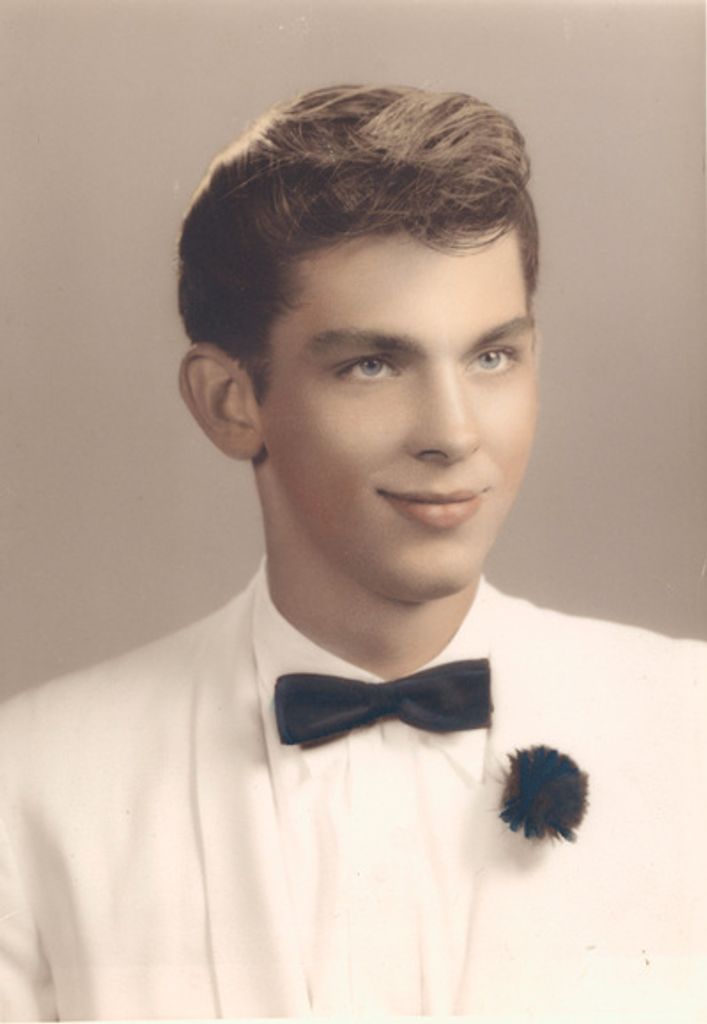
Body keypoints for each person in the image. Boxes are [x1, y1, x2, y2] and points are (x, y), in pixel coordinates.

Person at [0, 85, 705, 1021]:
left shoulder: (690, 727)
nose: (453, 434)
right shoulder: (32, 781)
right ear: (228, 402)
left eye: (491, 357)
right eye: (371, 365)